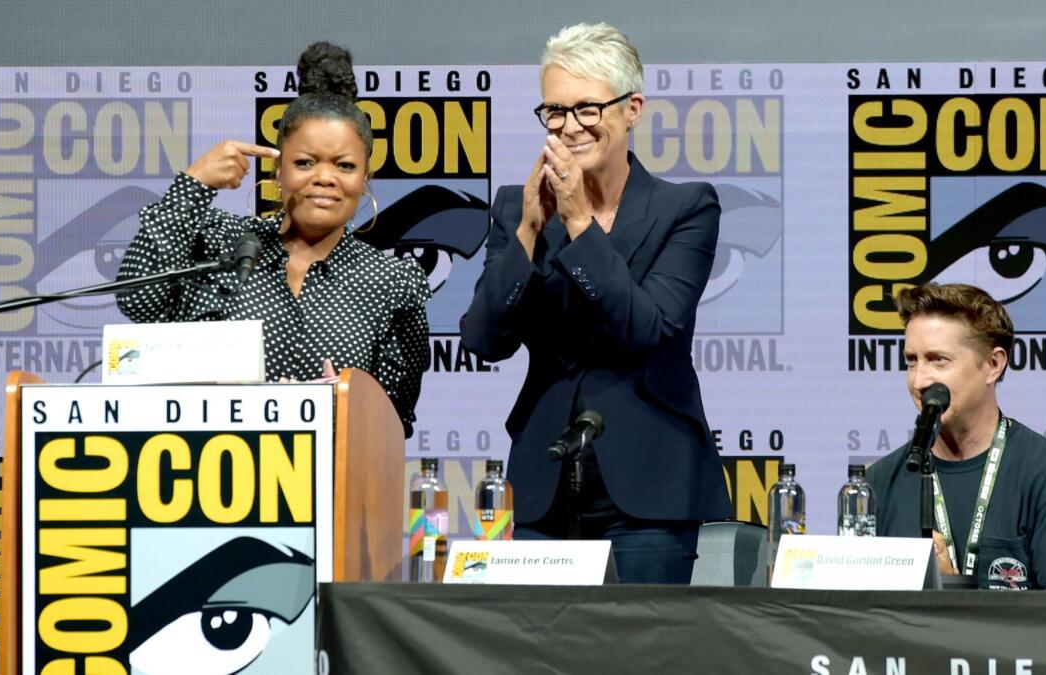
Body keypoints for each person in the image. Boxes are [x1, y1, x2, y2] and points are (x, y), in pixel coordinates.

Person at [460, 22, 733, 584]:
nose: (569, 127)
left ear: (632, 109)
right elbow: (484, 339)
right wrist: (531, 231)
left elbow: (646, 328)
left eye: (587, 108)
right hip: (545, 478)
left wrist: (580, 222)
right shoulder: (517, 207)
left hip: (651, 484)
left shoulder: (686, 208)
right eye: (554, 112)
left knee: (644, 655)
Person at [116, 42, 430, 437]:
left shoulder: (391, 282)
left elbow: (397, 417)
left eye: (345, 166)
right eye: (305, 162)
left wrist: (350, 407)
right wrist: (192, 185)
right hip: (212, 478)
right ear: (278, 172)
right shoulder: (223, 245)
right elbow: (139, 300)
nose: (325, 177)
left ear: (364, 179)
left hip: (333, 487)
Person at [867, 283, 1046, 590]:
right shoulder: (879, 484)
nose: (920, 380)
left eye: (939, 360)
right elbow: (857, 623)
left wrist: (947, 589)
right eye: (911, 361)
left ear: (993, 365)